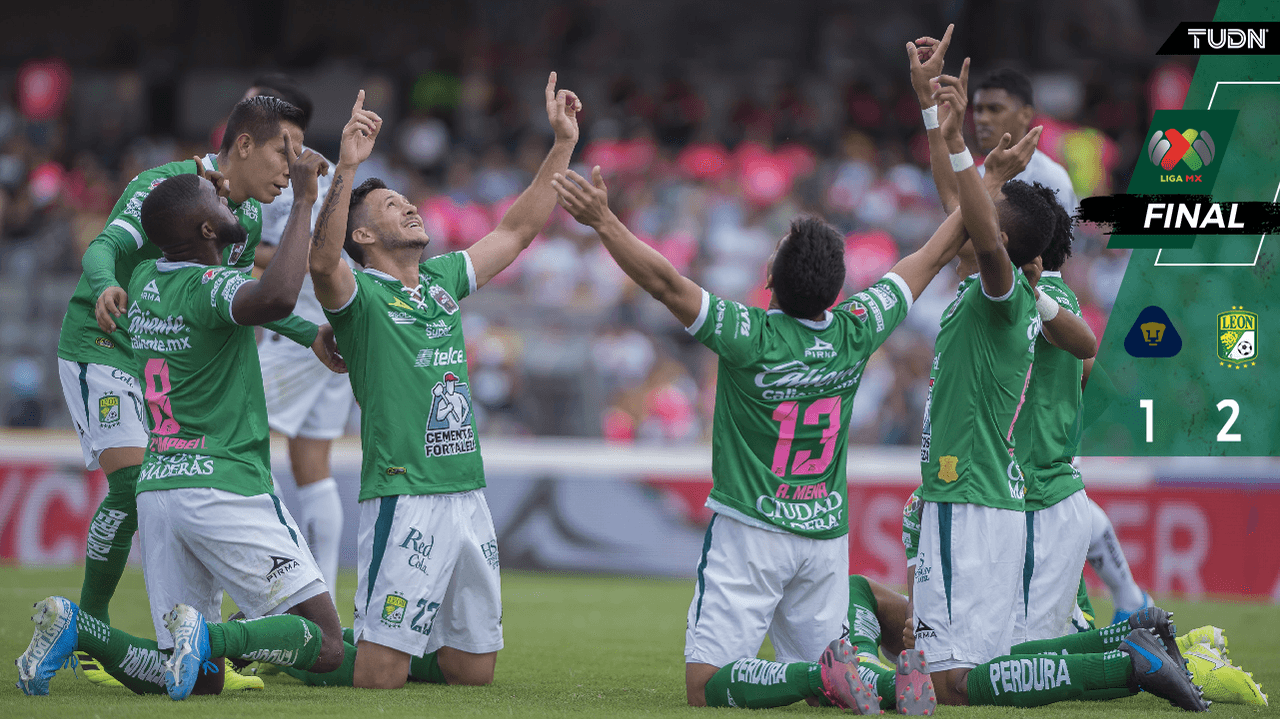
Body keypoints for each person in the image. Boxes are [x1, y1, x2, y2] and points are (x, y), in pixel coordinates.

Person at [550, 94, 1044, 709]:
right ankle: (889, 682)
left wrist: (603, 220)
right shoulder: (858, 328)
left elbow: (664, 282)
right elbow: (933, 254)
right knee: (831, 680)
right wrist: (988, 180)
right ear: (836, 289)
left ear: (769, 278)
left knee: (707, 687)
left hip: (751, 530)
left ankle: (819, 676)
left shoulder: (747, 336)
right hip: (824, 537)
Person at [903, 32, 1206, 711]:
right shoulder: (1034, 296)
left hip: (994, 490)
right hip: (1014, 493)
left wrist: (960, 149)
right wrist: (942, 129)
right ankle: (1133, 639)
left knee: (963, 682)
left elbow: (975, 227)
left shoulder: (1003, 288)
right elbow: (968, 219)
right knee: (1008, 659)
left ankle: (1128, 658)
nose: (970, 219)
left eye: (989, 215)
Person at [19, 142, 345, 700]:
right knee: (327, 642)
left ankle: (81, 627)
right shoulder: (207, 281)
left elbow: (230, 274)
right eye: (215, 203)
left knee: (198, 676)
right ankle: (207, 635)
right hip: (219, 475)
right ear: (206, 228)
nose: (226, 198)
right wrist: (302, 202)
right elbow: (269, 296)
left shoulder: (148, 278)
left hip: (165, 483)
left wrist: (304, 331)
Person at [292, 74, 580, 690]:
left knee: (470, 671)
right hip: (405, 492)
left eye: (408, 201)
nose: (410, 207)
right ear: (363, 236)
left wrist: (562, 144)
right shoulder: (360, 298)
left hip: (466, 493)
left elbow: (516, 231)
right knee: (379, 676)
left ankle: (349, 647)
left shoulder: (442, 281)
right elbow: (321, 261)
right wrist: (349, 165)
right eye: (392, 206)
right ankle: (277, 642)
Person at [911, 26, 1153, 628]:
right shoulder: (988, 181)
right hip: (1027, 317)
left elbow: (997, 239)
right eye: (979, 110)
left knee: (1043, 477)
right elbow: (959, 210)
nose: (984, 119)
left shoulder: (1044, 181)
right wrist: (935, 118)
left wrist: (1037, 297)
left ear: (1026, 114)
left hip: (1024, 344)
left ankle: (1127, 625)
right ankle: (1121, 615)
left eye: (996, 109)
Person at [247, 74, 352, 598]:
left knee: (238, 440)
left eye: (252, 105)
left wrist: (227, 243)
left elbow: (295, 256)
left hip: (300, 331)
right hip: (335, 325)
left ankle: (274, 584)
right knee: (312, 466)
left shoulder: (285, 176)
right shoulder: (325, 171)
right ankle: (320, 595)